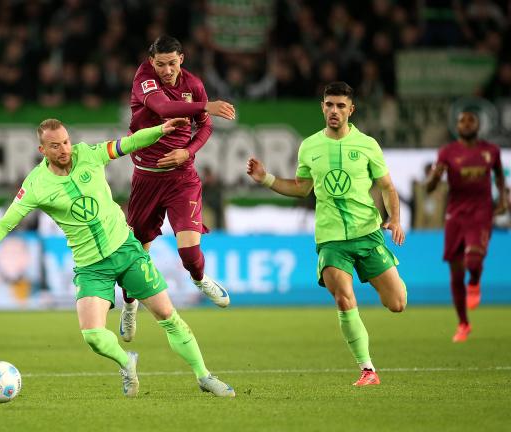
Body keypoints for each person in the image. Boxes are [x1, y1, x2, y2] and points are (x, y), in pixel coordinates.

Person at [0, 118, 235, 398]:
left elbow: (130, 143)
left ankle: (204, 376)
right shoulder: (35, 185)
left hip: (126, 251)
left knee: (168, 316)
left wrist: (161, 130)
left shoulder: (89, 154)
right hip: (90, 267)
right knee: (93, 336)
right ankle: (127, 362)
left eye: (66, 142)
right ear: (42, 151)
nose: (64, 149)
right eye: (55, 146)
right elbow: (6, 223)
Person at [247, 81, 407, 386]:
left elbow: (387, 187)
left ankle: (381, 297)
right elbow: (301, 188)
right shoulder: (309, 146)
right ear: (322, 107)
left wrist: (394, 219)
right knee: (344, 299)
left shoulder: (368, 145)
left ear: (351, 109)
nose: (334, 111)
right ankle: (368, 369)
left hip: (368, 233)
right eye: (329, 105)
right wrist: (265, 178)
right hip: (331, 239)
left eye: (340, 106)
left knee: (397, 303)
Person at [120, 35, 236, 343]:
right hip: (146, 178)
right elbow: (163, 106)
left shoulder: (193, 84)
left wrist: (189, 152)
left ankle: (200, 279)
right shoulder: (144, 77)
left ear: (181, 59)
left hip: (182, 178)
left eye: (172, 63)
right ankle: (130, 305)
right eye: (161, 64)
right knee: (137, 254)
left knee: (188, 251)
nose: (167, 70)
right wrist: (207, 105)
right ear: (152, 62)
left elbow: (205, 125)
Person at [426, 111, 507, 343]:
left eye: (471, 120)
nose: (466, 124)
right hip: (455, 214)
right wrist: (435, 178)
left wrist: (502, 199)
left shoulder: (491, 151)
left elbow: (500, 177)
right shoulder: (447, 152)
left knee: (472, 260)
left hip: (481, 212)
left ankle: (474, 282)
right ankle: (463, 323)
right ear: (457, 125)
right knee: (455, 269)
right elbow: (430, 187)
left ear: (478, 125)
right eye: (462, 121)